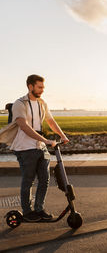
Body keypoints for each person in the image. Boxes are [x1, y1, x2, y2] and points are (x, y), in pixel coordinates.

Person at [11, 74, 69, 222]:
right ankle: (27, 212)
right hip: (25, 148)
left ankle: (39, 209)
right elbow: (24, 126)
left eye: (43, 87)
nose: (42, 90)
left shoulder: (42, 103)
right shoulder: (19, 104)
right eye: (40, 87)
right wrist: (46, 140)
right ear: (30, 86)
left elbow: (50, 120)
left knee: (45, 179)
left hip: (40, 147)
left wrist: (62, 136)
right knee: (28, 180)